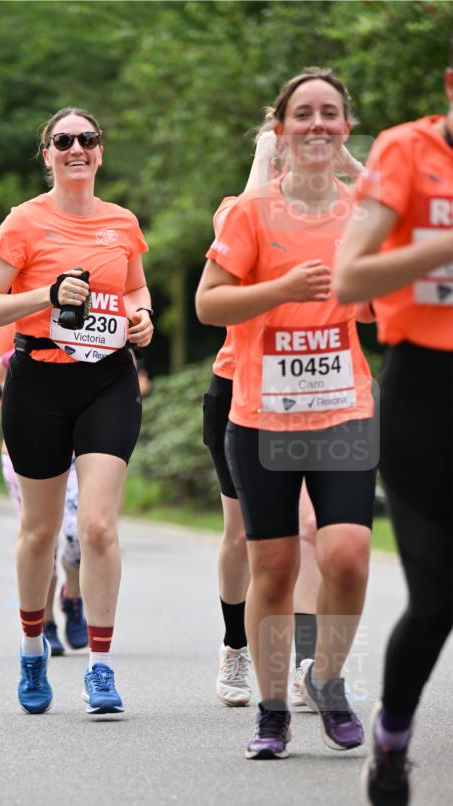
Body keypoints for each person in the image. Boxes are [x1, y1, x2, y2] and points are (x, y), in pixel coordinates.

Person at [196, 68, 376, 760]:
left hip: (343, 410)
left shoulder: (364, 213)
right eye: (302, 113)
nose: (316, 124)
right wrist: (280, 289)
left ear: (346, 127)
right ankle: (272, 712)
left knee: (347, 556)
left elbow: (387, 301)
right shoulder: (250, 213)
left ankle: (325, 678)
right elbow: (208, 303)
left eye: (330, 112)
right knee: (271, 568)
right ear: (280, 129)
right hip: (262, 417)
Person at [0, 107, 153, 715]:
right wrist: (46, 296)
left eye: (88, 139)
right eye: (64, 140)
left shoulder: (122, 222)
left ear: (100, 151)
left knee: (97, 527)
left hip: (107, 380)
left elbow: (135, 287)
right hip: (38, 383)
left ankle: (100, 667)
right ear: (47, 154)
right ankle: (32, 648)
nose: (77, 148)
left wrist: (142, 315)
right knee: (41, 531)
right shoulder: (23, 221)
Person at [335, 43, 453, 806]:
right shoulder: (406, 150)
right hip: (425, 397)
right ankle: (391, 735)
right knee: (437, 599)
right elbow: (349, 276)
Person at [205, 130, 326, 709]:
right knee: (242, 535)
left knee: (307, 529)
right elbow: (247, 215)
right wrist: (261, 153)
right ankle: (235, 645)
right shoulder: (238, 210)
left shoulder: (330, 215)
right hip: (238, 387)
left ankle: (306, 663)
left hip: (308, 388)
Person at [0, 321, 88, 655]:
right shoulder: (11, 318)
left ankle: (73, 597)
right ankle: (47, 622)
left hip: (79, 444)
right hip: (24, 443)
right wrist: (16, 354)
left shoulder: (85, 310)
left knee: (77, 533)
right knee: (43, 539)